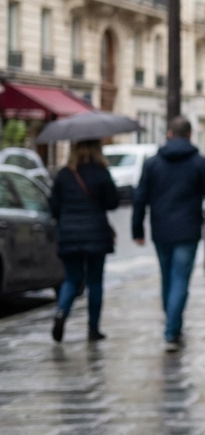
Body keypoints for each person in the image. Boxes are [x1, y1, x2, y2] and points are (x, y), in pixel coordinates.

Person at [131, 116, 205, 351]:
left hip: (161, 229)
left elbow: (140, 197)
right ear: (190, 135)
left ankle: (173, 325)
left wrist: (137, 228)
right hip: (188, 229)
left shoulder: (153, 163)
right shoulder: (199, 162)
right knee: (180, 279)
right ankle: (172, 330)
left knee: (167, 278)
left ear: (169, 134)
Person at [48, 140, 120, 343]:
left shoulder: (64, 174)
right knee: (95, 281)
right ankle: (93, 329)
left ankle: (62, 312)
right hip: (96, 233)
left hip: (69, 234)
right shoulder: (101, 173)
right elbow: (113, 202)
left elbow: (54, 207)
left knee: (71, 279)